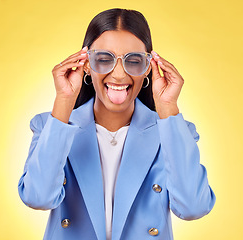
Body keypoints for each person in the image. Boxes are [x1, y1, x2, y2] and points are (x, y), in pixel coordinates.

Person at [18, 8, 216, 240]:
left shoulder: (174, 132)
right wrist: (64, 101)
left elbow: (193, 207)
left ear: (148, 67)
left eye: (134, 61)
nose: (119, 75)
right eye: (104, 59)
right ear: (87, 65)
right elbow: (37, 197)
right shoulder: (50, 125)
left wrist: (167, 107)